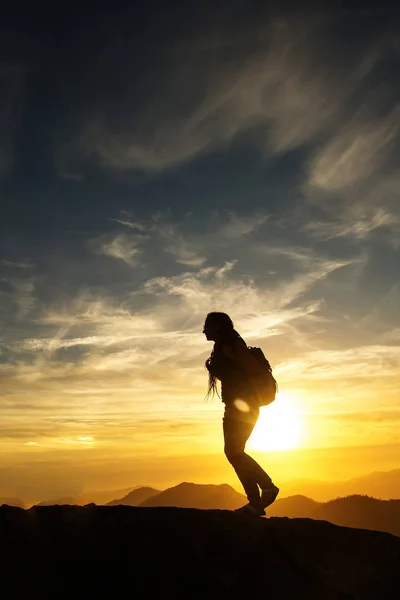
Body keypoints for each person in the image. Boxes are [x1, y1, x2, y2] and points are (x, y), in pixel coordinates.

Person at [204, 311, 279, 516]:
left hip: (244, 407)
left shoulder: (232, 345)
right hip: (238, 406)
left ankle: (266, 489)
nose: (204, 330)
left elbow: (253, 371)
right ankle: (256, 501)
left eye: (208, 326)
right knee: (234, 453)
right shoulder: (224, 345)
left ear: (218, 327)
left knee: (234, 452)